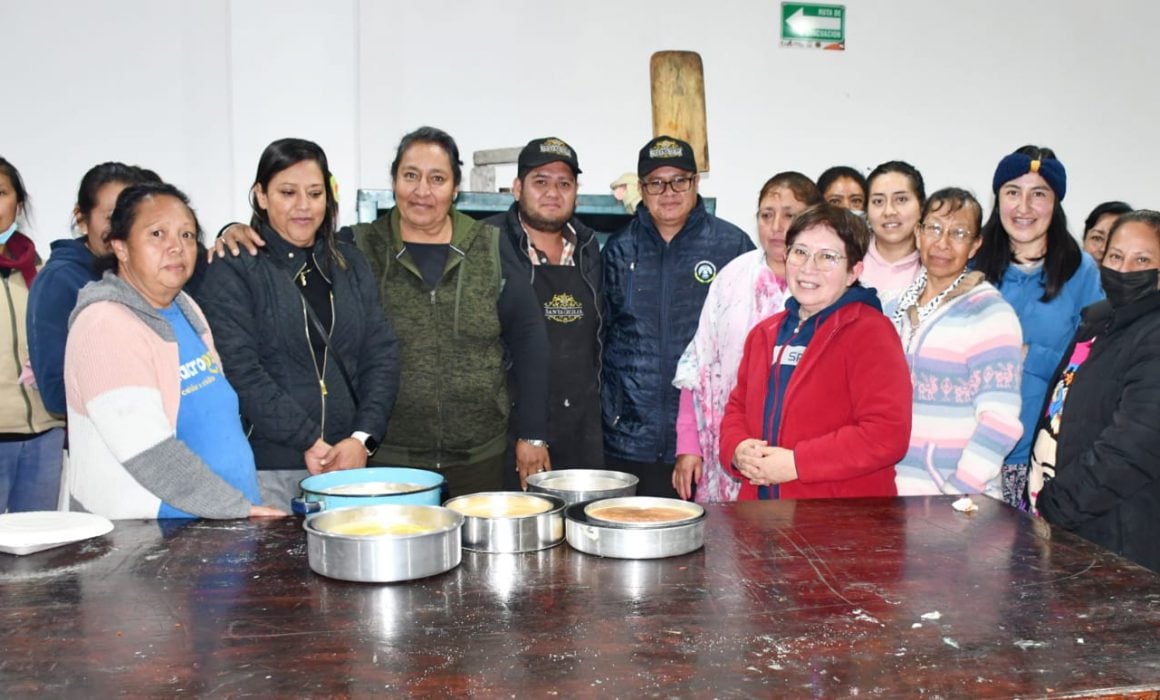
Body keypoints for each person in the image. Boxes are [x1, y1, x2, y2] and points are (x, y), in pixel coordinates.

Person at [214, 127, 550, 496]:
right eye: (410, 176)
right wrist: (232, 230)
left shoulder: (490, 248)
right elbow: (279, 255)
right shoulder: (357, 248)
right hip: (384, 462)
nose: (422, 191)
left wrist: (532, 432)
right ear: (393, 182)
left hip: (478, 458)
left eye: (437, 178)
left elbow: (529, 340)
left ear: (455, 189)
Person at [197, 138, 400, 508]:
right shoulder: (236, 267)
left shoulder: (349, 263)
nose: (303, 206)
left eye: (315, 192)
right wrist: (308, 438)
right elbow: (241, 369)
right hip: (270, 468)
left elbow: (381, 355)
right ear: (261, 195)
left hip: (348, 464)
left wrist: (361, 438)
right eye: (287, 192)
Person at [64, 182, 283, 519]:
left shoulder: (184, 306)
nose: (176, 247)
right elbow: (149, 453)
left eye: (186, 235)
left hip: (217, 521)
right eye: (157, 234)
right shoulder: (104, 323)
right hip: (149, 536)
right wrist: (236, 508)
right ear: (120, 247)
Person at [719, 204, 911, 500]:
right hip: (761, 517)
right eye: (800, 252)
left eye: (828, 257)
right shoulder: (764, 333)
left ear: (853, 272)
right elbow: (737, 408)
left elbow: (886, 434)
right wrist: (737, 449)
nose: (809, 267)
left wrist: (797, 463)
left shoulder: (871, 332)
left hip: (840, 525)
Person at [602, 135, 754, 497]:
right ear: (641, 188)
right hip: (629, 441)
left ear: (695, 183)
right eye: (656, 183)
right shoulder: (618, 250)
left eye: (679, 181)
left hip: (707, 438)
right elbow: (600, 338)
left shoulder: (732, 246)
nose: (668, 192)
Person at [671, 171, 821, 502]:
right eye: (767, 215)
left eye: (790, 215)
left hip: (802, 463)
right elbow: (698, 363)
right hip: (731, 450)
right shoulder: (732, 278)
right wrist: (688, 445)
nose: (777, 226)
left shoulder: (826, 286)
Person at [1029, 210, 1160, 572]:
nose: (1125, 269)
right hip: (1071, 530)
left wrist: (1058, 504)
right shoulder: (1098, 322)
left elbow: (1133, 446)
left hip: (1118, 536)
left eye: (1143, 260)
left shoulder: (1153, 334)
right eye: (1116, 256)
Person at [974, 145, 1104, 508]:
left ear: (1056, 203)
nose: (1024, 207)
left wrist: (1028, 356)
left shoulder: (1083, 273)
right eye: (1013, 192)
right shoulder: (970, 267)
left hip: (1041, 456)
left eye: (1039, 194)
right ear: (998, 198)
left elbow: (1094, 365)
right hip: (968, 455)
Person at [885, 188, 1023, 498]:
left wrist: (959, 492)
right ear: (918, 233)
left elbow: (1000, 422)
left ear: (975, 246)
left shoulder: (990, 313)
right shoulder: (895, 308)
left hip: (960, 503)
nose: (943, 242)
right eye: (934, 228)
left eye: (959, 233)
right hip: (895, 497)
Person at [484, 137, 604, 484]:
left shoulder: (590, 249)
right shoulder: (487, 243)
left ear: (576, 193)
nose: (553, 192)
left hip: (581, 430)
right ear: (517, 188)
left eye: (564, 183)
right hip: (509, 433)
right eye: (541, 182)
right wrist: (528, 433)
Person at [28, 162, 161, 418]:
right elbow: (57, 393)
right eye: (112, 217)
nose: (120, 228)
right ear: (81, 218)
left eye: (131, 217)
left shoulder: (146, 274)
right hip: (106, 437)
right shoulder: (58, 281)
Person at [0, 158, 65, 513]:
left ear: (18, 204)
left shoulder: (41, 273)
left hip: (45, 434)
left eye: (0, 193)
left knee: (40, 558)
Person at [861, 160, 925, 304]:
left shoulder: (937, 263)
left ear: (921, 206)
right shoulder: (848, 258)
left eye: (901, 199)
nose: (889, 211)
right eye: (878, 201)